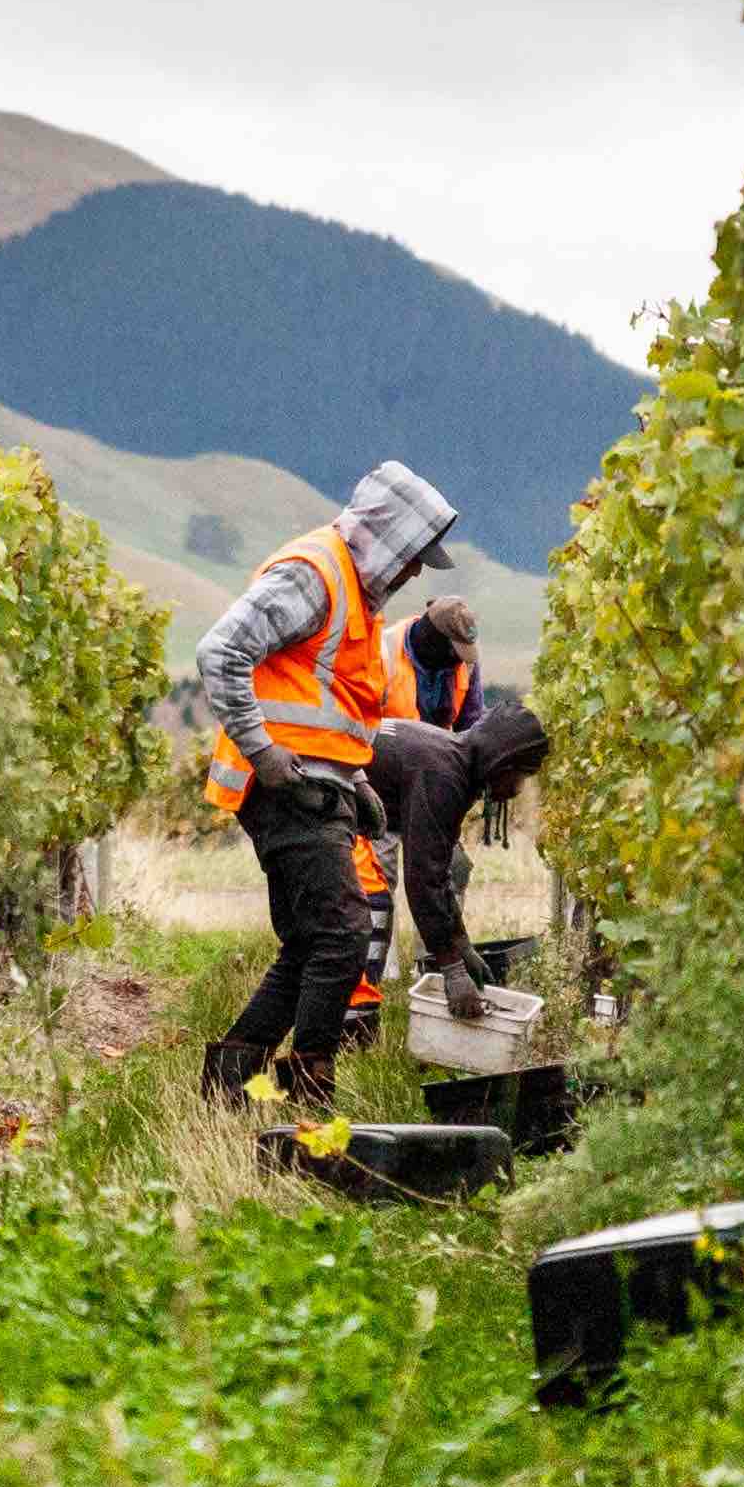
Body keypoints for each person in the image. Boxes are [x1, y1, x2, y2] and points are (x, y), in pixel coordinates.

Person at [195, 461, 458, 1108]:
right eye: (414, 556)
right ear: (389, 539)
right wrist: (265, 753)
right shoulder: (313, 573)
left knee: (314, 939)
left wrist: (358, 779)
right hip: (288, 788)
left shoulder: (356, 594)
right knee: (343, 931)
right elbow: (219, 651)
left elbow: (331, 701)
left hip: (321, 786)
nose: (416, 572)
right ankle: (310, 1094)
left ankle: (228, 1078)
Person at [368, 697, 551, 1021]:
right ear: (501, 762)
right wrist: (453, 969)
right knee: (346, 925)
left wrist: (462, 944)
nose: (518, 789)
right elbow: (423, 879)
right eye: (520, 776)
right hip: (300, 798)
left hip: (316, 796)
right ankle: (345, 1032)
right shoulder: (443, 775)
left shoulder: (452, 758)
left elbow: (439, 873)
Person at [401, 596, 483, 732]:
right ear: (433, 638)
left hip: (440, 749)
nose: (459, 660)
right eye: (454, 651)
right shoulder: (384, 655)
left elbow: (471, 725)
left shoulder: (466, 663)